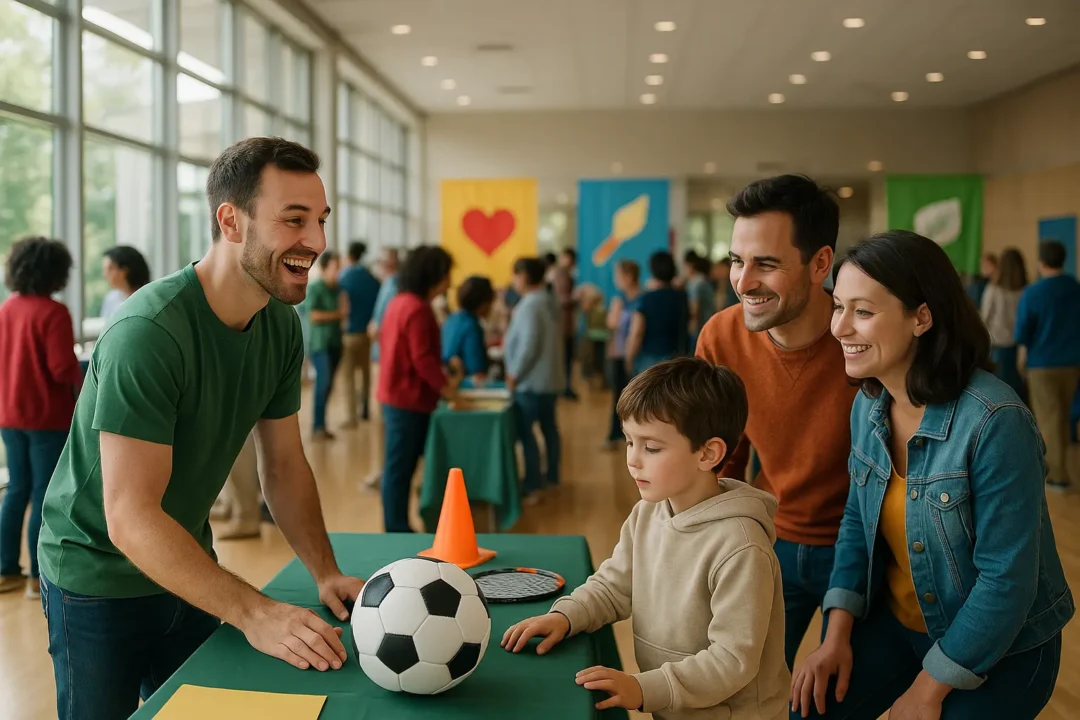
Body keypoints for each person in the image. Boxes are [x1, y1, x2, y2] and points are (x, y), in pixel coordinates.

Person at [36, 138, 366, 720]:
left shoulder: (281, 327)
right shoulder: (149, 333)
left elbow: (284, 465)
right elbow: (130, 517)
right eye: (294, 220)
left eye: (319, 221)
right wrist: (256, 612)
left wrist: (325, 570)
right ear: (230, 221)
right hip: (94, 578)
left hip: (187, 563)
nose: (315, 242)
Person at [792, 230, 1073, 720]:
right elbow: (857, 525)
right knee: (809, 709)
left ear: (921, 316)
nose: (839, 327)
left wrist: (926, 691)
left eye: (862, 311)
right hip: (901, 624)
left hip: (1002, 648)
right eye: (837, 306)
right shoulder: (869, 404)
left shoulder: (994, 420)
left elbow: (1006, 582)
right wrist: (835, 634)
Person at [502, 358, 789, 719]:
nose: (633, 460)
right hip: (674, 708)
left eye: (651, 448)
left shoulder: (741, 547)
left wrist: (643, 687)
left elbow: (731, 660)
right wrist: (568, 615)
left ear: (708, 453)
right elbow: (614, 586)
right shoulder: (648, 513)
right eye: (629, 442)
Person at [695, 175, 856, 671]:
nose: (743, 282)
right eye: (737, 262)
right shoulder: (722, 335)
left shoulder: (863, 337)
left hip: (865, 552)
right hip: (771, 539)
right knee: (740, 691)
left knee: (829, 700)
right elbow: (719, 457)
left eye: (766, 264)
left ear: (820, 264)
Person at [0, 237, 82, 599]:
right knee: (44, 494)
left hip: (8, 415)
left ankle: (6, 570)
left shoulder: (7, 308)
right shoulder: (53, 313)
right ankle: (38, 576)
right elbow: (62, 367)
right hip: (47, 418)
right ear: (56, 272)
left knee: (16, 491)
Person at [376, 246, 462, 533]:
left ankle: (397, 524)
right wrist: (448, 390)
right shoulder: (417, 308)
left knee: (399, 466)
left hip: (397, 395)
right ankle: (396, 527)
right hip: (407, 398)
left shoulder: (400, 301)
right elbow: (423, 359)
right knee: (400, 468)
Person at [1015, 240, 1080, 491]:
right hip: (1072, 363)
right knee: (1062, 417)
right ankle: (1061, 468)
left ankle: (1056, 476)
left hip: (1043, 364)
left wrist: (1022, 359)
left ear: (1041, 261)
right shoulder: (1075, 288)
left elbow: (1023, 332)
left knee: (1048, 419)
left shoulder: (1034, 292)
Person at [505, 257, 564, 503]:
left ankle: (532, 484)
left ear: (526, 276)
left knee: (526, 433)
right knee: (549, 429)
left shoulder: (530, 305)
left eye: (516, 275)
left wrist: (515, 372)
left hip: (530, 380)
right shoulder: (549, 300)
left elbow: (529, 344)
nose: (514, 281)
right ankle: (551, 475)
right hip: (549, 379)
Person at [338, 241, 381, 424]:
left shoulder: (344, 278)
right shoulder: (372, 279)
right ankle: (366, 410)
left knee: (348, 377)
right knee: (365, 373)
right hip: (367, 333)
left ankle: (351, 416)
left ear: (349, 256)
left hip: (348, 333)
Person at [626, 251, 689, 375]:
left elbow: (637, 332)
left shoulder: (646, 298)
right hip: (677, 357)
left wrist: (629, 358)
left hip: (649, 359)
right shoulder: (681, 297)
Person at [604, 259, 642, 449]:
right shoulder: (620, 298)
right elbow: (611, 323)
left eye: (619, 276)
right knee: (618, 395)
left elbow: (613, 322)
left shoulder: (640, 299)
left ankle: (633, 435)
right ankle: (615, 433)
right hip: (618, 353)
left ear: (629, 277)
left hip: (636, 354)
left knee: (635, 396)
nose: (616, 280)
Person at [979, 247, 1027, 399]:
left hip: (998, 346)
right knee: (1019, 390)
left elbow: (984, 318)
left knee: (1001, 393)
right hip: (1021, 347)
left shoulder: (993, 289)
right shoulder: (1026, 290)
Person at [307, 250, 345, 439]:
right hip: (320, 344)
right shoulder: (315, 287)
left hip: (335, 342)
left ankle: (322, 423)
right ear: (325, 268)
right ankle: (318, 427)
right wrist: (338, 315)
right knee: (323, 383)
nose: (338, 272)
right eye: (336, 268)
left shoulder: (337, 289)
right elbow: (314, 316)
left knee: (329, 384)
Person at [442, 275, 495, 384]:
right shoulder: (472, 326)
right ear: (484, 303)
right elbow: (477, 370)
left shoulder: (452, 319)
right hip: (465, 385)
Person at [551, 248, 579, 399]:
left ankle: (565, 386)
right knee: (563, 359)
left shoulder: (566, 274)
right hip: (562, 325)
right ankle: (563, 388)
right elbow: (560, 299)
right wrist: (576, 298)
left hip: (566, 324)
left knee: (567, 359)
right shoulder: (560, 274)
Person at [100, 245, 151, 322]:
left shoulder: (148, 301)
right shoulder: (111, 299)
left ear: (125, 271)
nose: (105, 275)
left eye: (110, 269)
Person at [686, 254, 716, 351]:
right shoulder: (707, 283)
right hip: (708, 324)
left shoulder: (695, 283)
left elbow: (695, 306)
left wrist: (692, 325)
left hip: (698, 327)